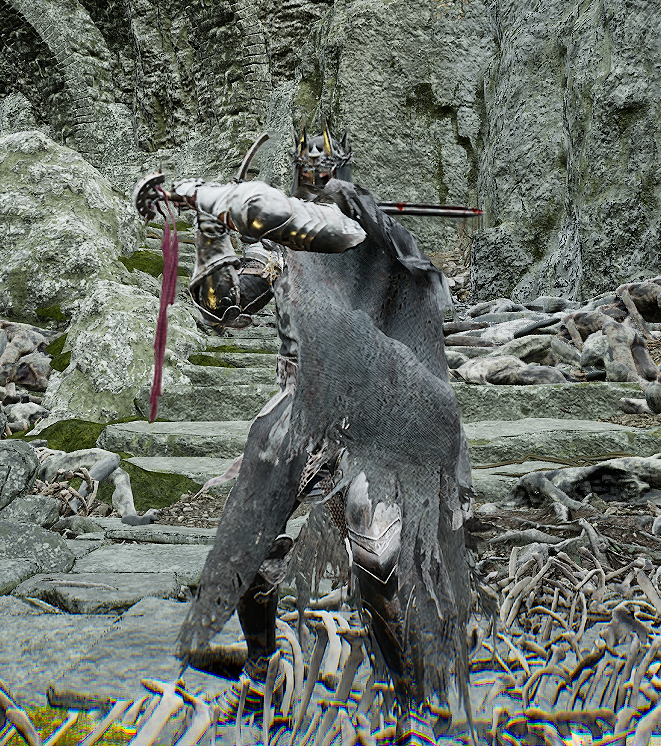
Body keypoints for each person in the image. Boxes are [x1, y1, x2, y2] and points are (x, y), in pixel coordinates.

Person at [134, 128, 473, 711]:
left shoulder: (349, 223)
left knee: (378, 553)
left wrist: (196, 193)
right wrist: (211, 238)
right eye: (306, 159)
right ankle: (261, 671)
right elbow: (224, 305)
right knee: (252, 545)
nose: (315, 167)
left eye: (324, 158)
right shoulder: (283, 247)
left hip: (371, 407)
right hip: (300, 407)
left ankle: (413, 694)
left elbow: (275, 213)